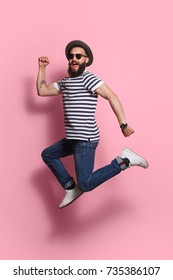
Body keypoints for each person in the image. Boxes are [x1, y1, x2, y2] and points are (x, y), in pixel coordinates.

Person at [37, 40, 149, 209]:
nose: (74, 59)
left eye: (78, 56)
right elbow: (42, 91)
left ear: (86, 60)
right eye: (71, 56)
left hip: (85, 140)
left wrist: (123, 125)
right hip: (73, 139)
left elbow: (112, 96)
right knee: (48, 154)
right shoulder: (66, 82)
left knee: (86, 184)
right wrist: (42, 68)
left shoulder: (88, 78)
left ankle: (125, 160)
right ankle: (70, 188)